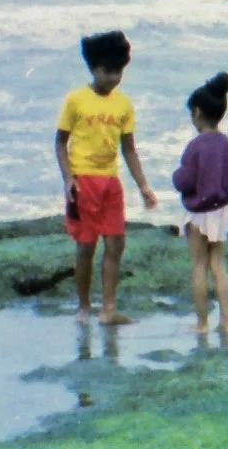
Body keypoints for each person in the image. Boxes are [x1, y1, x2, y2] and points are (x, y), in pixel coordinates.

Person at [54, 30, 159, 323]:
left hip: (111, 183)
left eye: (119, 72)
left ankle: (108, 309)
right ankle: (84, 307)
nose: (114, 77)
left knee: (116, 244)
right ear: (93, 68)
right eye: (108, 71)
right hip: (83, 181)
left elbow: (129, 149)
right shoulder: (76, 100)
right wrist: (67, 179)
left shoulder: (123, 105)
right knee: (86, 246)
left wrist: (143, 186)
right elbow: (60, 142)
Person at [172, 72, 228, 337]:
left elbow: (184, 180)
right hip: (222, 211)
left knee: (199, 266)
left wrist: (175, 178)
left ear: (197, 113)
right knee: (218, 265)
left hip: (198, 214)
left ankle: (202, 324)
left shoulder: (195, 147)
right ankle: (226, 321)